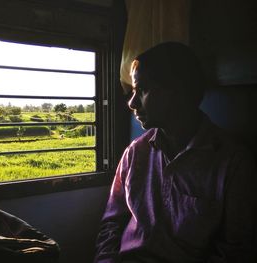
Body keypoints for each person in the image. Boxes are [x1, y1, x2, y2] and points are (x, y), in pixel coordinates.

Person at [94, 42, 256, 263]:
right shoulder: (135, 153)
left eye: (142, 90)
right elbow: (112, 222)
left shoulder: (233, 164)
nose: (132, 103)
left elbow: (235, 250)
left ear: (177, 91)